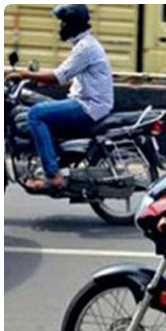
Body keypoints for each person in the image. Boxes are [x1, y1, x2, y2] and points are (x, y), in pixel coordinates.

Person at [6, 4, 113, 192]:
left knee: (36, 115)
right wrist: (42, 82)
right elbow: (71, 78)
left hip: (89, 106)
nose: (60, 27)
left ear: (73, 23)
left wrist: (25, 75)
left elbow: (58, 75)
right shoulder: (85, 45)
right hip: (88, 101)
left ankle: (52, 175)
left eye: (63, 23)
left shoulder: (84, 48)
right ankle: (55, 159)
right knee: (44, 107)